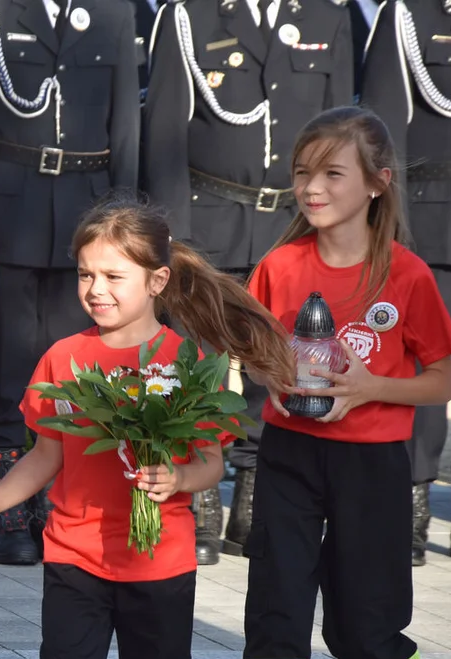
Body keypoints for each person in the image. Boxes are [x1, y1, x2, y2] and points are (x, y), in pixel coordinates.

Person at [0, 195, 293, 659]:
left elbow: (211, 464)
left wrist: (176, 477)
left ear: (157, 281)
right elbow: (44, 457)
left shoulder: (188, 362)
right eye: (85, 275)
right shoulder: (62, 358)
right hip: (74, 556)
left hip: (160, 564)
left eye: (113, 276)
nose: (96, 290)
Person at [239, 106, 451, 659]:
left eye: (333, 173)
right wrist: (272, 378)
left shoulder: (407, 275)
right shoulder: (278, 268)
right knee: (276, 611)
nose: (312, 187)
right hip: (288, 457)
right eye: (303, 171)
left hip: (372, 466)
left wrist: (369, 388)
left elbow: (440, 382)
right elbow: (253, 357)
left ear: (377, 182)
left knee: (366, 619)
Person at [141, 0, 354, 564]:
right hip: (206, 216)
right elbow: (164, 129)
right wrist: (172, 242)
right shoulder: (191, 16)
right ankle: (201, 493)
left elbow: (342, 138)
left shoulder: (326, 18)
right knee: (199, 362)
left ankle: (255, 503)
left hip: (291, 222)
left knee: (277, 362)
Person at [0, 0, 141, 566]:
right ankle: (9, 512)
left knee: (74, 371)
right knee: (8, 372)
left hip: (88, 217)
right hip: (6, 221)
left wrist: (122, 230)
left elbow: (125, 128)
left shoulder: (112, 13)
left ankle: (59, 502)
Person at [360, 0, 451, 568]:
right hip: (437, 223)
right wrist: (392, 231)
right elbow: (381, 129)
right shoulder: (411, 14)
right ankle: (410, 506)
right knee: (423, 372)